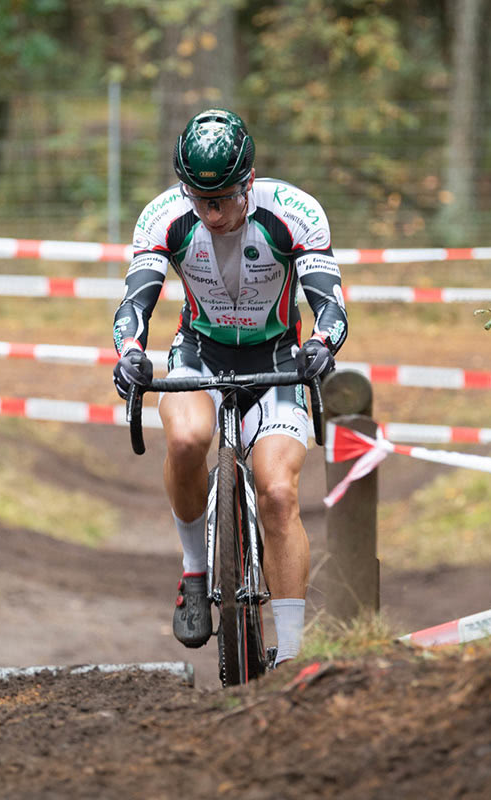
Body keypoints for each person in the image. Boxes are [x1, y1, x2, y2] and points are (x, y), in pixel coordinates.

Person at [112, 108, 347, 666]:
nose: (211, 213)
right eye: (199, 198)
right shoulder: (165, 216)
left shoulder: (294, 212)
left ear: (250, 180)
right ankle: (195, 572)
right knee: (189, 441)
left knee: (280, 492)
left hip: (277, 358)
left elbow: (330, 303)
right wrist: (130, 355)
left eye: (223, 200)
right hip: (200, 353)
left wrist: (321, 345)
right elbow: (135, 302)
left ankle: (291, 653)